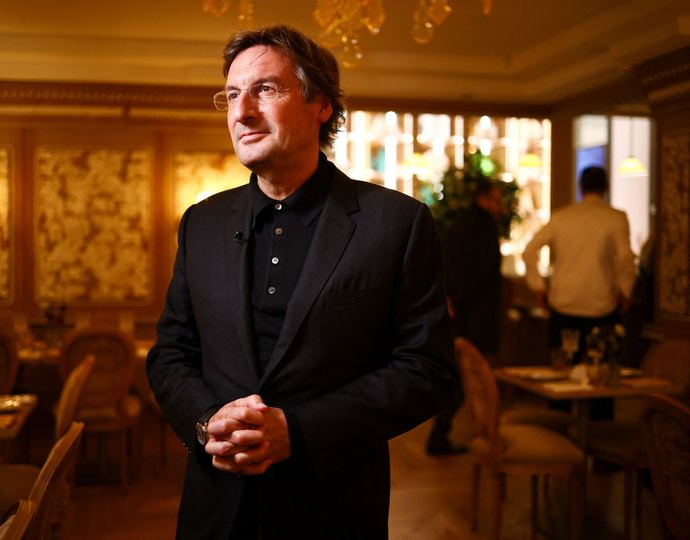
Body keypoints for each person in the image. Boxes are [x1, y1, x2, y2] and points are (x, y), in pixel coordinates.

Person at [146, 24, 458, 539]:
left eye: (265, 89)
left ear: (321, 105)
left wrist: (299, 431)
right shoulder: (201, 222)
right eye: (232, 95)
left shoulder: (396, 223)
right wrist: (205, 422)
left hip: (333, 509)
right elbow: (171, 354)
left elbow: (427, 370)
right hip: (215, 508)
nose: (242, 112)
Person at [523, 166, 636, 417]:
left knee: (561, 374)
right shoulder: (615, 217)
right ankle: (599, 430)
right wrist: (626, 290)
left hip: (563, 303)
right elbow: (625, 258)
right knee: (602, 375)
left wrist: (539, 287)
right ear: (606, 188)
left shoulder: (562, 217)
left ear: (580, 187)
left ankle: (559, 426)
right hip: (602, 305)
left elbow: (529, 251)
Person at [426, 181, 503, 455]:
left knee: (459, 375)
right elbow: (482, 273)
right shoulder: (485, 227)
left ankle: (442, 434)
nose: (501, 207)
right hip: (474, 313)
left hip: (456, 311)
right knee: (468, 377)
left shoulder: (459, 224)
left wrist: (447, 297)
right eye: (498, 200)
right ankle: (462, 435)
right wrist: (457, 300)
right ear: (486, 199)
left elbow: (441, 262)